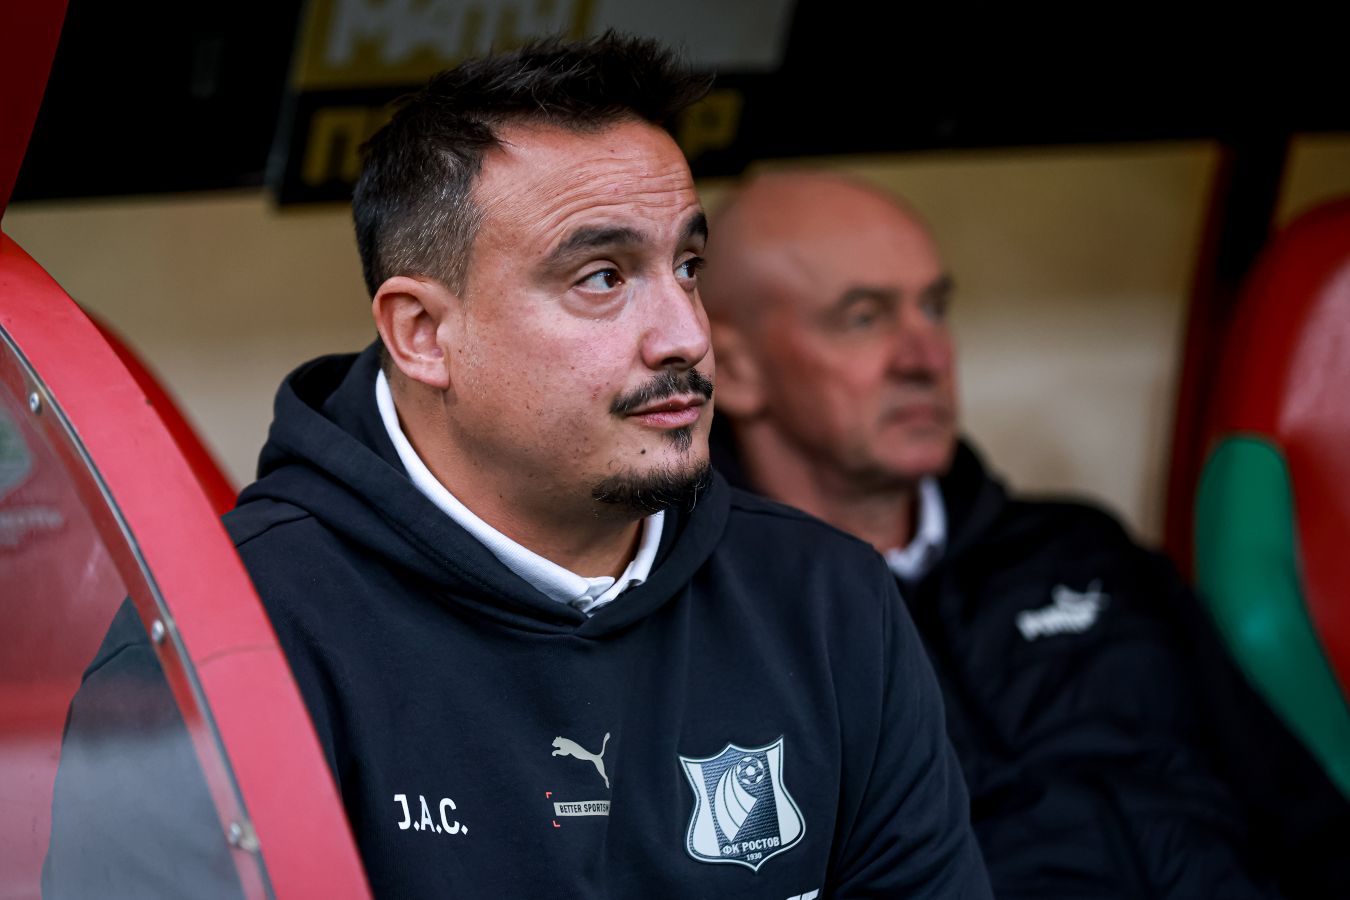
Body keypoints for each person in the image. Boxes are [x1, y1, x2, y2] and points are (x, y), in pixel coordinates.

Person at [44, 35, 992, 898]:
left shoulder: (828, 604)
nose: (685, 335)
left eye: (688, 267)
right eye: (602, 277)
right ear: (423, 333)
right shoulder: (226, 644)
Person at [700, 170, 1350, 898]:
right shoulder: (719, 632)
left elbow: (1311, 823)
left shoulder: (1083, 551)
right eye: (864, 318)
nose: (925, 357)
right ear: (737, 368)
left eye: (934, 308)